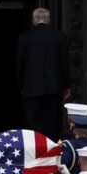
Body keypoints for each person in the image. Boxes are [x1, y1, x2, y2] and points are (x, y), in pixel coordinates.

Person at [15, 7, 70, 140]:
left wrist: (21, 85)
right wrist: (66, 86)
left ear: (34, 20)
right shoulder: (59, 36)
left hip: (31, 88)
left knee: (34, 122)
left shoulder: (24, 37)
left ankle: (37, 150)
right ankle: (50, 149)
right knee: (52, 122)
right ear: (48, 20)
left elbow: (19, 64)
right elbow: (65, 63)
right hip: (54, 88)